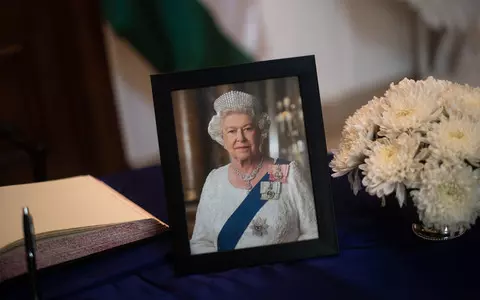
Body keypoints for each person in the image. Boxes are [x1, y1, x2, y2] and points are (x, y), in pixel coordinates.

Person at [189, 90, 318, 255]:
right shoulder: (214, 180)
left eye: (247, 128)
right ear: (222, 137)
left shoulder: (288, 172)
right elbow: (200, 242)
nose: (240, 138)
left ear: (260, 131)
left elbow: (313, 232)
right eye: (231, 131)